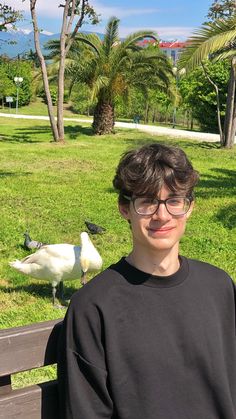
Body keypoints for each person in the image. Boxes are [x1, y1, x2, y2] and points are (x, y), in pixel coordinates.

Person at [57, 143, 236, 419]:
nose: (162, 215)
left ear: (189, 208)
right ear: (124, 209)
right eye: (148, 201)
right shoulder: (93, 308)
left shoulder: (219, 287)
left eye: (174, 200)